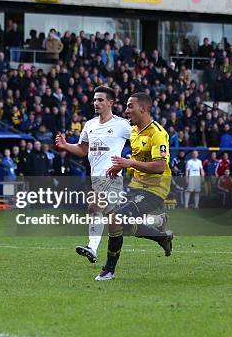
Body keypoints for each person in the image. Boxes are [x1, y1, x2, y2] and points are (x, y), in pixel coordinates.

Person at [56, 86, 164, 263]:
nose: (96, 103)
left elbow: (143, 140)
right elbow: (83, 149)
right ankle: (157, 223)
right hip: (96, 178)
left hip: (112, 177)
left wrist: (135, 162)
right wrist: (66, 145)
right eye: (94, 100)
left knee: (93, 206)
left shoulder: (122, 125)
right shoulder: (89, 125)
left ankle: (92, 247)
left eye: (100, 100)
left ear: (110, 103)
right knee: (121, 222)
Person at [100, 93, 174, 281]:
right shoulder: (134, 131)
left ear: (144, 108)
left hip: (155, 188)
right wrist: (121, 166)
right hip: (136, 186)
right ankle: (160, 233)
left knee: (116, 219)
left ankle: (108, 270)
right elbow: (136, 160)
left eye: (130, 106)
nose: (126, 111)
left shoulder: (157, 133)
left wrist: (129, 163)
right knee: (117, 221)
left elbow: (159, 166)